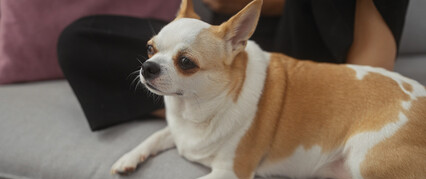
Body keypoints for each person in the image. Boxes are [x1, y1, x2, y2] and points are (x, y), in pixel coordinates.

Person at [57, 0, 409, 131]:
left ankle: (241, 113)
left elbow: (373, 72)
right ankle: (196, 105)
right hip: (212, 43)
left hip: (299, 64)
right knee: (81, 39)